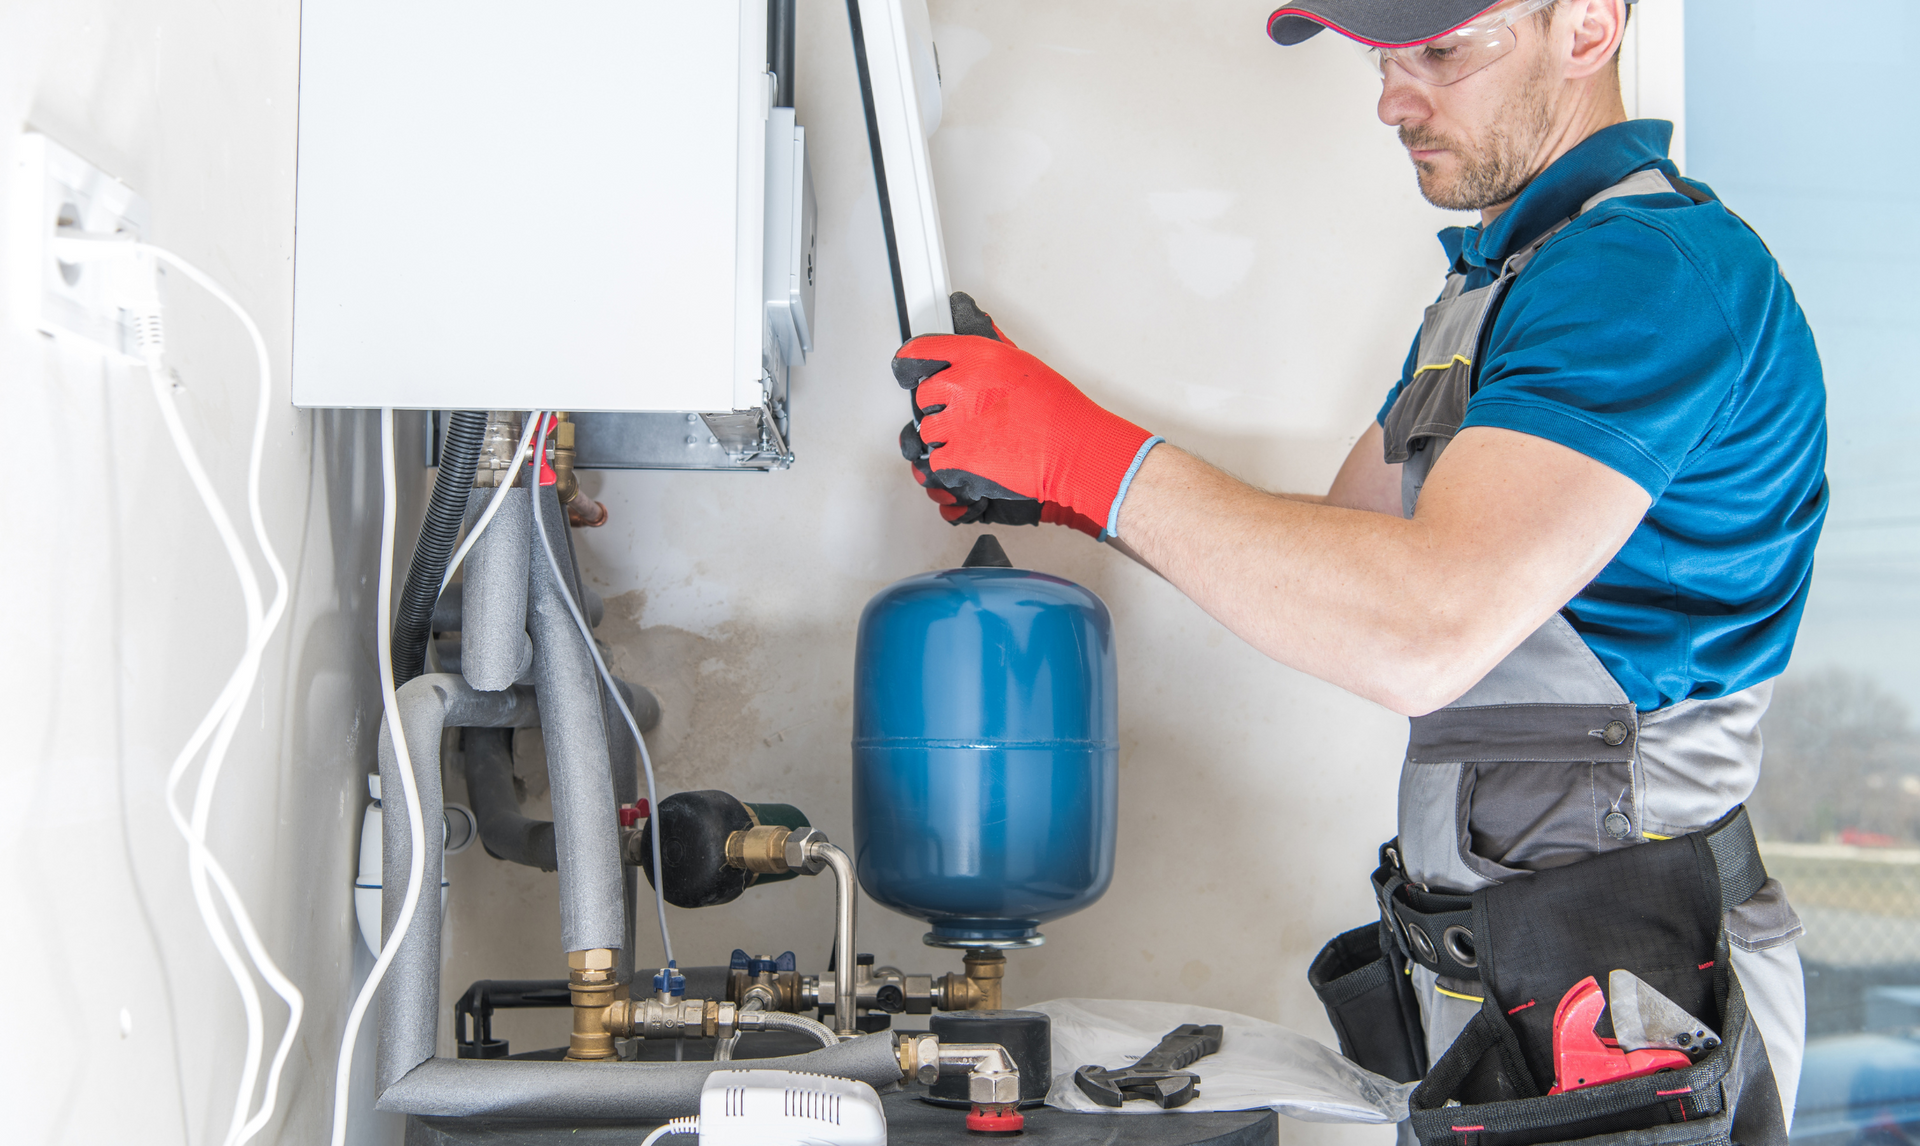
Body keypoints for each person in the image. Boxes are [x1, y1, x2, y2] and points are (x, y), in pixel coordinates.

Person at [892, 0, 1826, 1139]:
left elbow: (1418, 627)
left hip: (1635, 1000)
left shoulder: (1644, 272)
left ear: (1587, 26)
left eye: (1438, 51)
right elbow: (1341, 560)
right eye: (1382, 58)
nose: (1391, 99)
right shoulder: (1502, 287)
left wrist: (1092, 457)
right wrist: (1071, 496)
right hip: (1536, 982)